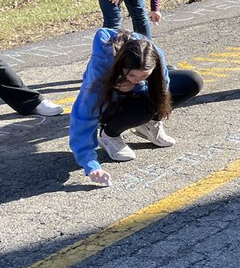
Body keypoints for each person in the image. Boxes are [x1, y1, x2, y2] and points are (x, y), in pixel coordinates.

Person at [69, 28, 203, 186]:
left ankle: (148, 124)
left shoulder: (154, 54)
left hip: (136, 93)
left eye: (144, 75)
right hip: (109, 101)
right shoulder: (100, 68)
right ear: (121, 66)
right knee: (145, 108)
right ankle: (109, 134)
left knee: (192, 81)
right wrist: (91, 164)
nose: (137, 79)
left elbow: (162, 89)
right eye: (131, 75)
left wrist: (137, 86)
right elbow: (83, 116)